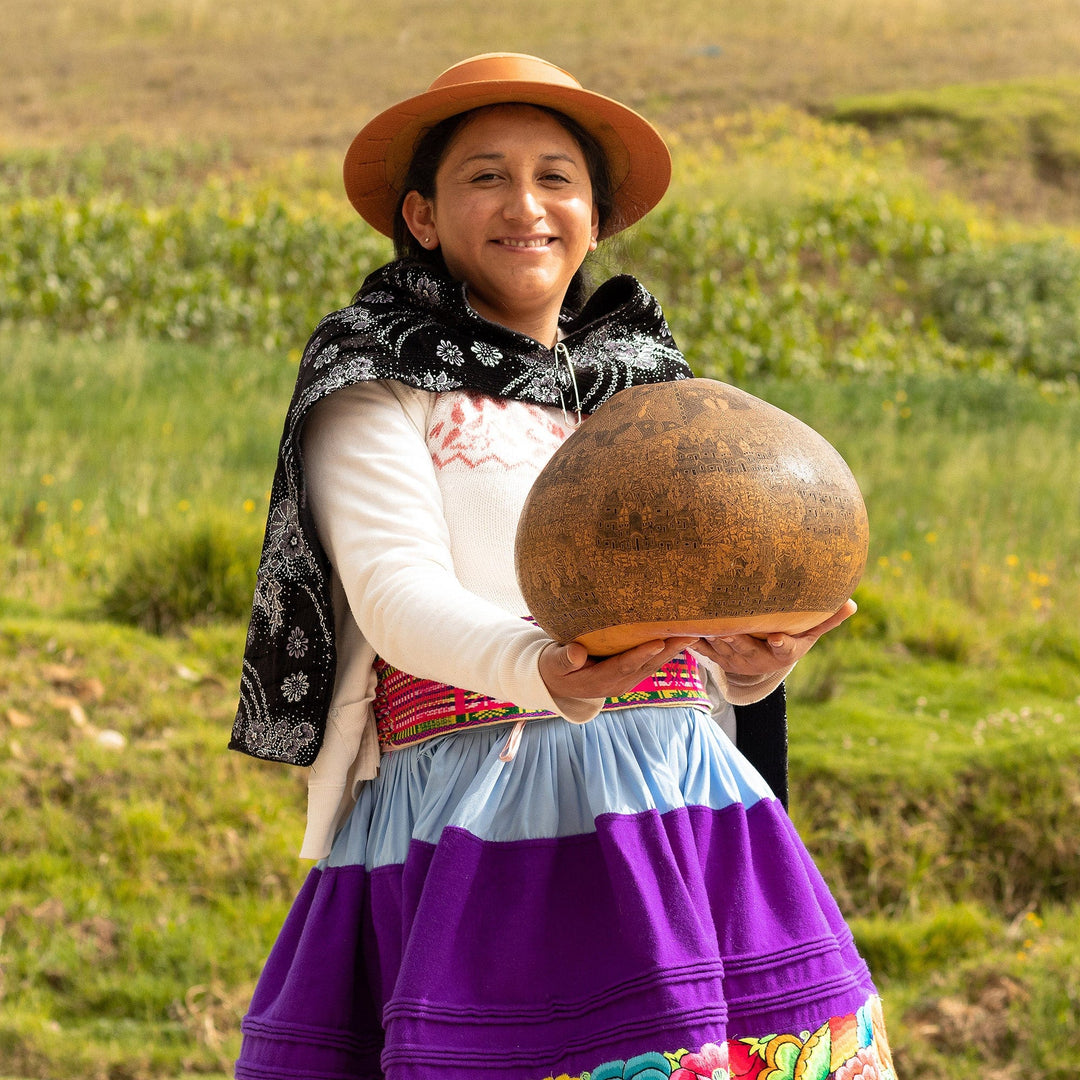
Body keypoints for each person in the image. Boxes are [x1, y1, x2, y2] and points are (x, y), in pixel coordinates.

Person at [229, 53, 894, 1080]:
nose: (524, 205)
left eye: (556, 178)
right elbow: (396, 595)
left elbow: (694, 642)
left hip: (687, 797)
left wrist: (753, 660)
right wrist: (547, 672)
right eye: (485, 176)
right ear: (421, 215)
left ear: (594, 215)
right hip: (484, 812)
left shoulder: (649, 396)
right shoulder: (374, 377)